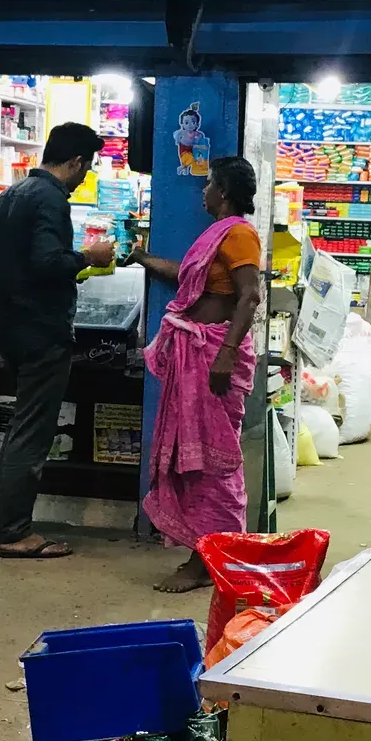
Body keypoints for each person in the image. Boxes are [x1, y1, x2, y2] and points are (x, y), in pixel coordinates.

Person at [0, 122, 115, 559]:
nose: (84, 177)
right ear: (76, 161)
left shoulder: (9, 197)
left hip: (12, 327)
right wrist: (88, 258)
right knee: (32, 432)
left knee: (20, 424)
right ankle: (14, 530)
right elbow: (47, 263)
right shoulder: (50, 199)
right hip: (43, 330)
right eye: (86, 167)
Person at [130, 156, 262, 592]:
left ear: (222, 192)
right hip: (196, 353)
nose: (202, 192)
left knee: (215, 462)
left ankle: (209, 559)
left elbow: (249, 297)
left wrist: (224, 355)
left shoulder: (239, 234)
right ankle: (204, 552)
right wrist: (143, 257)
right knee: (194, 460)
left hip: (213, 358)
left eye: (207, 185)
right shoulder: (215, 236)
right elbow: (189, 280)